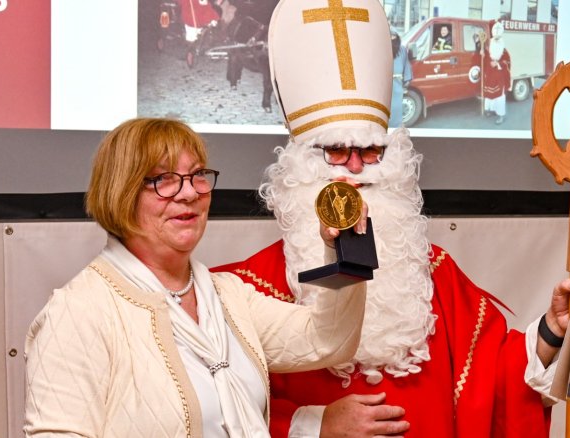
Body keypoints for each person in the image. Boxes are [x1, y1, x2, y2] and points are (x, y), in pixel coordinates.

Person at [213, 1, 570, 436]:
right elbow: (214, 407)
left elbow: (496, 378)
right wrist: (313, 424)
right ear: (299, 166)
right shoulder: (246, 290)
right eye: (336, 150)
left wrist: (553, 331)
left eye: (371, 151)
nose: (355, 168)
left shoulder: (434, 274)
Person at [24, 118, 367, 437]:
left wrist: (345, 243)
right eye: (164, 179)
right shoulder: (79, 312)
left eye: (197, 175)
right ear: (122, 193)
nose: (189, 193)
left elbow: (328, 339)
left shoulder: (227, 295)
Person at [473, 20, 511, 125]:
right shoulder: (489, 44)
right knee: (490, 93)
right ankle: (491, 110)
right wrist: (483, 54)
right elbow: (486, 58)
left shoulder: (504, 48)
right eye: (495, 37)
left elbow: (507, 61)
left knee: (499, 95)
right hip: (490, 74)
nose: (496, 39)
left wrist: (498, 63)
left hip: (499, 74)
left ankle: (501, 115)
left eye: (498, 37)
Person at [388, 30, 412, 128]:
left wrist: (407, 79)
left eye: (394, 36)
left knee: (396, 108)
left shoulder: (402, 49)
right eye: (390, 36)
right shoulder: (382, 48)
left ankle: (395, 129)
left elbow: (406, 64)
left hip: (397, 84)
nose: (392, 38)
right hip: (385, 84)